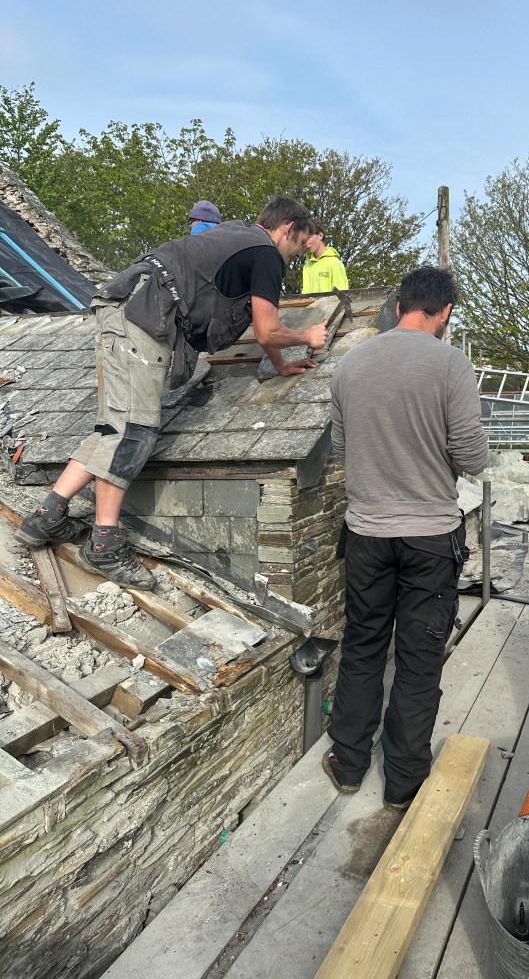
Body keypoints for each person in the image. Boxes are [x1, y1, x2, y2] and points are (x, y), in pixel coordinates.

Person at [17, 197, 327, 590]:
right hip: (144, 318)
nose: (296, 254)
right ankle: (104, 543)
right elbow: (267, 329)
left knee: (112, 427)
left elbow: (257, 325)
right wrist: (306, 335)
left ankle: (48, 514)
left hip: (125, 308)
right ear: (288, 230)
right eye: (298, 245)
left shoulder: (236, 236)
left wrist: (281, 365)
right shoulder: (266, 253)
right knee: (135, 431)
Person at [322, 265, 488, 810]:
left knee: (364, 647)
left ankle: (347, 764)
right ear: (442, 313)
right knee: (419, 660)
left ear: (399, 307)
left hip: (367, 533)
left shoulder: (349, 365)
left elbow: (343, 448)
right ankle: (404, 781)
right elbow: (472, 457)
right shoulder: (451, 364)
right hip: (429, 539)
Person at [302, 220, 348, 293]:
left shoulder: (335, 263)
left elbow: (342, 296)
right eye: (304, 239)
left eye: (309, 238)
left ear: (320, 235)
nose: (306, 243)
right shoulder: (307, 267)